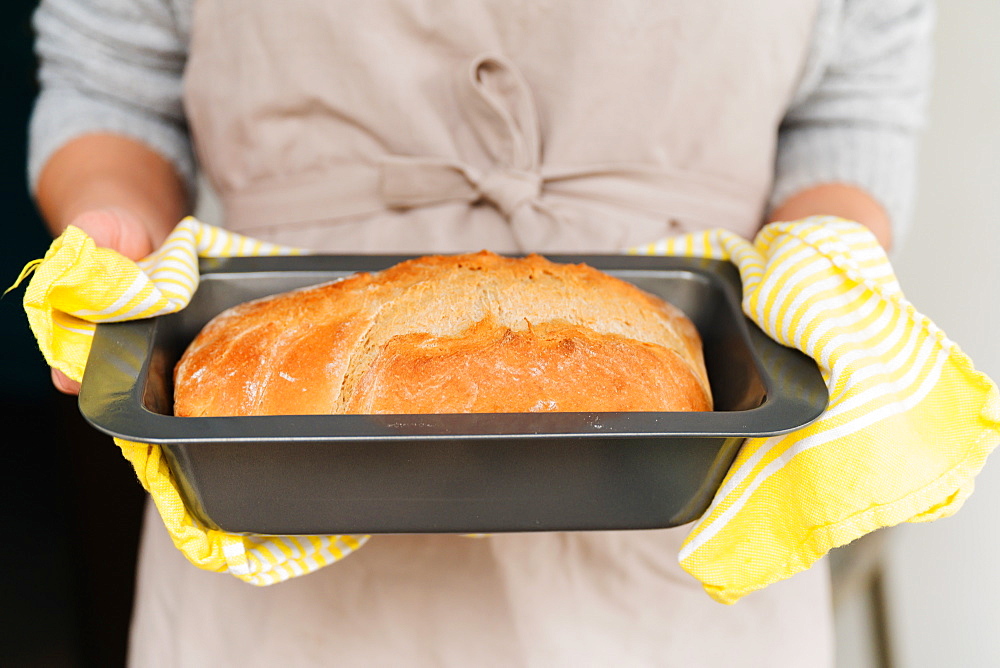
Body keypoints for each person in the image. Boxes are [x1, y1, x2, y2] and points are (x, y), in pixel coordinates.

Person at [29, 0, 933, 665]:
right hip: (269, 540)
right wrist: (117, 230)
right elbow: (108, 82)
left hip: (685, 557)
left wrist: (822, 264)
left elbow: (850, 111)